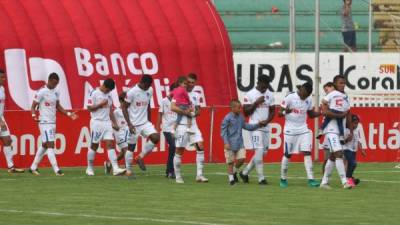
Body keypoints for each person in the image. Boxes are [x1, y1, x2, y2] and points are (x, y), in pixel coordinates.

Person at [29, 73, 78, 176]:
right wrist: (34, 116)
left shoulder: (56, 92)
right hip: (44, 122)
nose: (55, 85)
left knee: (45, 145)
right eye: (54, 83)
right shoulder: (41, 91)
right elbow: (33, 106)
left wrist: (69, 114)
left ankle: (33, 167)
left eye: (57, 84)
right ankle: (57, 170)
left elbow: (58, 106)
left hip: (52, 122)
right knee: (51, 144)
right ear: (49, 80)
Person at [278, 83, 321, 188]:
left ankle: (311, 179)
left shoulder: (308, 99)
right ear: (301, 89)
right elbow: (279, 113)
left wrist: (321, 113)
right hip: (290, 130)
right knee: (288, 154)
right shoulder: (290, 97)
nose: (305, 97)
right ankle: (283, 178)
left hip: (303, 129)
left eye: (307, 95)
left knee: (307, 152)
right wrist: (285, 112)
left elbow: (310, 114)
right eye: (304, 94)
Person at [171, 73, 208, 184]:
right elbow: (172, 107)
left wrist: (194, 113)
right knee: (179, 151)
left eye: (193, 82)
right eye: (189, 82)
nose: (190, 84)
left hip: (193, 125)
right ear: (185, 82)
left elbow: (198, 110)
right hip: (182, 126)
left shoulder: (196, 95)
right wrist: (185, 112)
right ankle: (178, 176)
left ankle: (199, 176)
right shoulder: (180, 92)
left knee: (200, 146)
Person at [220, 99, 267, 185]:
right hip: (230, 144)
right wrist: (226, 142)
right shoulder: (227, 118)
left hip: (240, 143)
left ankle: (233, 171)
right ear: (233, 108)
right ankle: (231, 180)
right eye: (238, 108)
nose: (240, 109)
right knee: (230, 162)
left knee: (241, 159)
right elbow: (223, 131)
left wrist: (258, 125)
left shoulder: (240, 117)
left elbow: (246, 126)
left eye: (240, 107)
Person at [239, 75, 275, 185]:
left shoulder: (270, 94)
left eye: (268, 85)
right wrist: (256, 103)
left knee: (263, 152)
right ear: (258, 82)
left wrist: (267, 121)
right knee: (259, 150)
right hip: (255, 126)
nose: (266, 87)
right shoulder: (249, 94)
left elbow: (272, 111)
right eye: (264, 85)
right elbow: (246, 112)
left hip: (265, 127)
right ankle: (261, 178)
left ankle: (245, 172)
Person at [86, 78, 126, 176]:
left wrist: (114, 123)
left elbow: (110, 110)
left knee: (110, 144)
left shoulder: (108, 95)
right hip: (97, 122)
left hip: (107, 123)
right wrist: (100, 105)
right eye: (108, 90)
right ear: (104, 86)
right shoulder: (94, 93)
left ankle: (115, 168)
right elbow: (89, 108)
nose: (108, 92)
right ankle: (89, 168)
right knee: (94, 146)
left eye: (110, 91)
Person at [320, 75, 353, 189]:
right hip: (330, 129)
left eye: (344, 83)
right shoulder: (331, 95)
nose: (343, 85)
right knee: (339, 153)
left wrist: (350, 131)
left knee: (334, 156)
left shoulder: (346, 97)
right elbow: (324, 111)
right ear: (335, 84)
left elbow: (348, 114)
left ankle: (324, 182)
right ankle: (344, 182)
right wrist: (339, 115)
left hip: (340, 130)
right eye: (340, 83)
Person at [122, 75, 160, 174]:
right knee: (131, 148)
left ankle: (140, 157)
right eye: (147, 85)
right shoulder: (132, 92)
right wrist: (129, 124)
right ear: (142, 83)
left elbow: (148, 105)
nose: (148, 87)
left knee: (156, 137)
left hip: (145, 123)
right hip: (133, 124)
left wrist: (149, 120)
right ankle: (128, 171)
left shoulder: (150, 90)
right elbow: (124, 107)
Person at [104, 91, 136, 175]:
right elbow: (108, 120)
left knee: (122, 153)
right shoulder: (116, 112)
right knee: (126, 149)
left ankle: (109, 164)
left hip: (127, 133)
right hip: (119, 133)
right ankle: (127, 170)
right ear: (121, 101)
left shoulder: (129, 110)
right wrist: (114, 125)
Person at [0, 69, 24, 173]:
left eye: (4, 77)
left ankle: (11, 167)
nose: (3, 79)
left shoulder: (2, 89)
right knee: (7, 140)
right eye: (1, 77)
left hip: (1, 117)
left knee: (7, 140)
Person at [156, 83, 178, 179]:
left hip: (176, 128)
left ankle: (168, 170)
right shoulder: (164, 101)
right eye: (175, 90)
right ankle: (171, 171)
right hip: (167, 128)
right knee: (173, 146)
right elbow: (160, 114)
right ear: (171, 90)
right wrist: (157, 128)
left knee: (173, 150)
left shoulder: (179, 101)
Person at [343, 114, 366, 187]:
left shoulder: (357, 130)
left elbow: (358, 140)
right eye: (354, 123)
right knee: (353, 163)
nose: (356, 125)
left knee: (351, 165)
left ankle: (349, 178)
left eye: (357, 123)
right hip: (347, 149)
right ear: (351, 123)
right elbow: (342, 142)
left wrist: (361, 150)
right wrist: (347, 139)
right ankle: (348, 178)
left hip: (354, 150)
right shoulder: (346, 130)